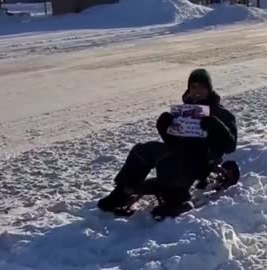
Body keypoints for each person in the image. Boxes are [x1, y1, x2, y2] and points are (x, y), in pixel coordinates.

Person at [98, 68, 237, 217]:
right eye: (193, 87)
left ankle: (176, 200)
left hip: (202, 159)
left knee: (171, 160)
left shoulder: (221, 113)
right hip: (179, 151)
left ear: (209, 90)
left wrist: (216, 126)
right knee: (143, 150)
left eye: (202, 87)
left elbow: (230, 146)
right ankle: (123, 191)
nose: (197, 91)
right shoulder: (183, 112)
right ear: (188, 90)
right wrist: (164, 127)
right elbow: (172, 141)